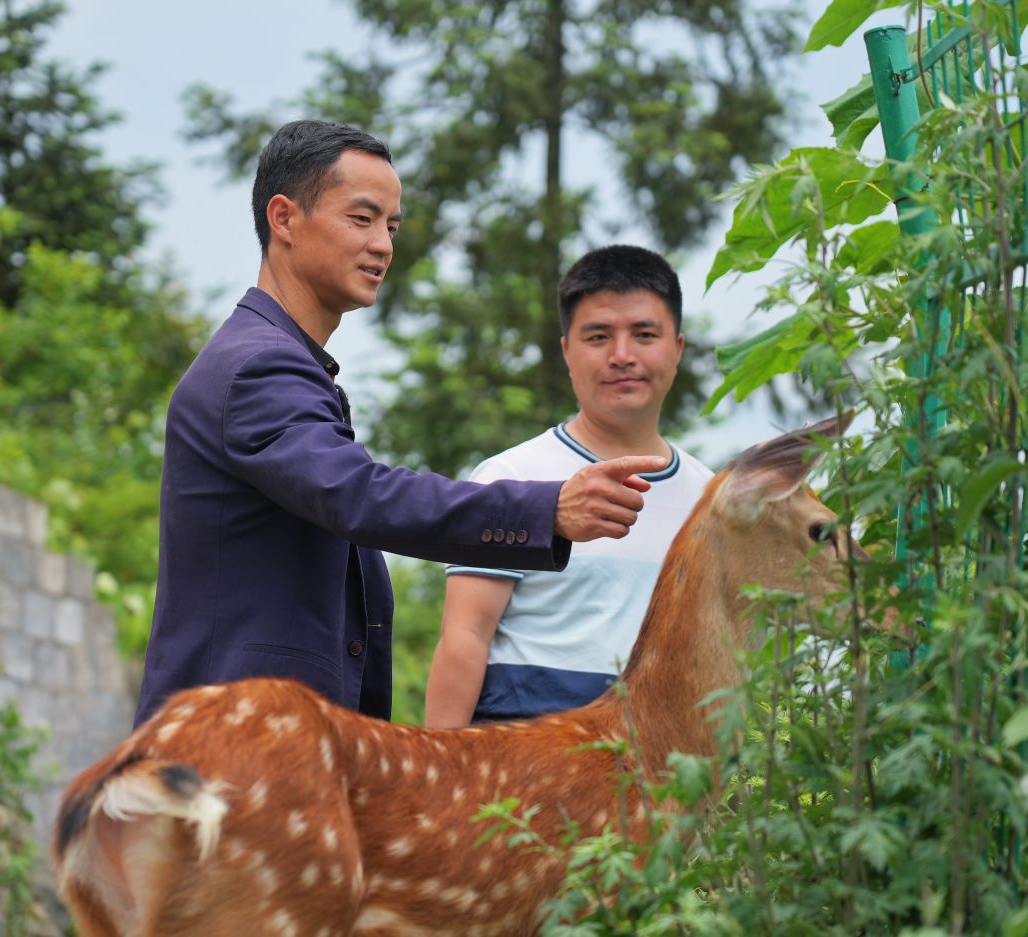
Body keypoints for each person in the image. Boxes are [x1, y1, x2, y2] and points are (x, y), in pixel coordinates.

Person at [133, 121, 668, 727]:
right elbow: (359, 496)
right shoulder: (260, 364)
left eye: (391, 225)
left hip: (267, 737)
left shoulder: (284, 361)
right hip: (231, 741)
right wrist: (546, 510)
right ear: (283, 219)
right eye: (362, 219)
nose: (384, 244)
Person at [423, 245, 714, 727]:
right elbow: (465, 638)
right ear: (566, 351)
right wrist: (437, 787)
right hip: (518, 777)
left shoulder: (710, 501)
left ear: (677, 348)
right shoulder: (511, 479)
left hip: (658, 782)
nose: (622, 356)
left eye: (644, 334)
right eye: (598, 336)